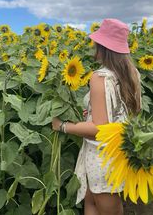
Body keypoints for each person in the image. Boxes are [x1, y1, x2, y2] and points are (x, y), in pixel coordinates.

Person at [52, 18, 142, 215]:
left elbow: (99, 130)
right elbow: (127, 113)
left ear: (103, 47)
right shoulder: (131, 73)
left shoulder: (99, 77)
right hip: (120, 152)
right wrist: (93, 112)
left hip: (102, 157)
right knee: (91, 200)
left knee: (106, 207)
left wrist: (63, 126)